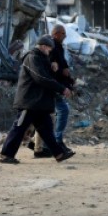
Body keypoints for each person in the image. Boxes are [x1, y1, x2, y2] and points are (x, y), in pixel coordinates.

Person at [0, 35, 74, 164]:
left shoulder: (41, 59)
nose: (49, 52)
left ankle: (59, 154)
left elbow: (47, 76)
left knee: (47, 130)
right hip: (29, 101)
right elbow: (41, 78)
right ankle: (6, 154)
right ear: (44, 47)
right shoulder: (32, 58)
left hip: (39, 103)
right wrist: (62, 89)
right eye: (49, 49)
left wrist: (53, 69)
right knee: (19, 128)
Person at [33, 24, 75, 158]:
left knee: (43, 117)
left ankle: (38, 145)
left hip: (56, 85)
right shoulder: (48, 49)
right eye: (63, 34)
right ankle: (55, 141)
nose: (65, 36)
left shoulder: (58, 46)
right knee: (62, 111)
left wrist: (66, 73)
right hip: (54, 86)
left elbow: (61, 63)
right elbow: (48, 68)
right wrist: (59, 75)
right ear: (56, 34)